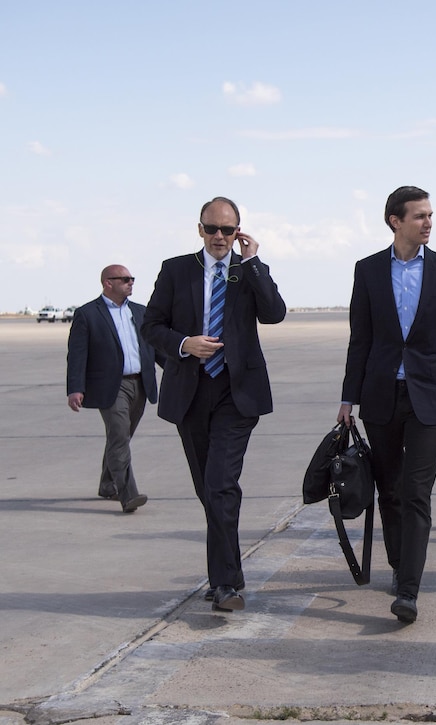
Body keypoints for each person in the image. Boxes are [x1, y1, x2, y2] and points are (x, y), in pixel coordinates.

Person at [338, 186, 436, 625]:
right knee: (390, 489)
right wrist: (349, 397)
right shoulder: (367, 271)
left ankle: (408, 589)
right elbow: (360, 338)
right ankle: (399, 565)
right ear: (395, 221)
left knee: (417, 491)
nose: (428, 223)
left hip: (428, 395)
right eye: (420, 216)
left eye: (430, 215)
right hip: (381, 394)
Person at [142, 196, 287, 613]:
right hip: (189, 392)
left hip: (236, 393)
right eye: (212, 229)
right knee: (210, 491)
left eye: (228, 230)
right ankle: (229, 573)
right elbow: (152, 325)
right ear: (199, 229)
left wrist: (253, 262)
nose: (220, 237)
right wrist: (184, 344)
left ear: (239, 230)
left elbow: (274, 313)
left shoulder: (248, 271)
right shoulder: (176, 270)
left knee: (221, 485)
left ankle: (224, 585)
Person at [66, 265, 161, 513]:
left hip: (140, 383)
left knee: (121, 437)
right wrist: (75, 388)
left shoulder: (140, 312)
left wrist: (179, 368)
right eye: (125, 279)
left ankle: (107, 484)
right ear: (108, 283)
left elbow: (154, 346)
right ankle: (128, 495)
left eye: (132, 279)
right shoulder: (88, 314)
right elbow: (77, 354)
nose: (131, 283)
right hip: (111, 385)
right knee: (119, 435)